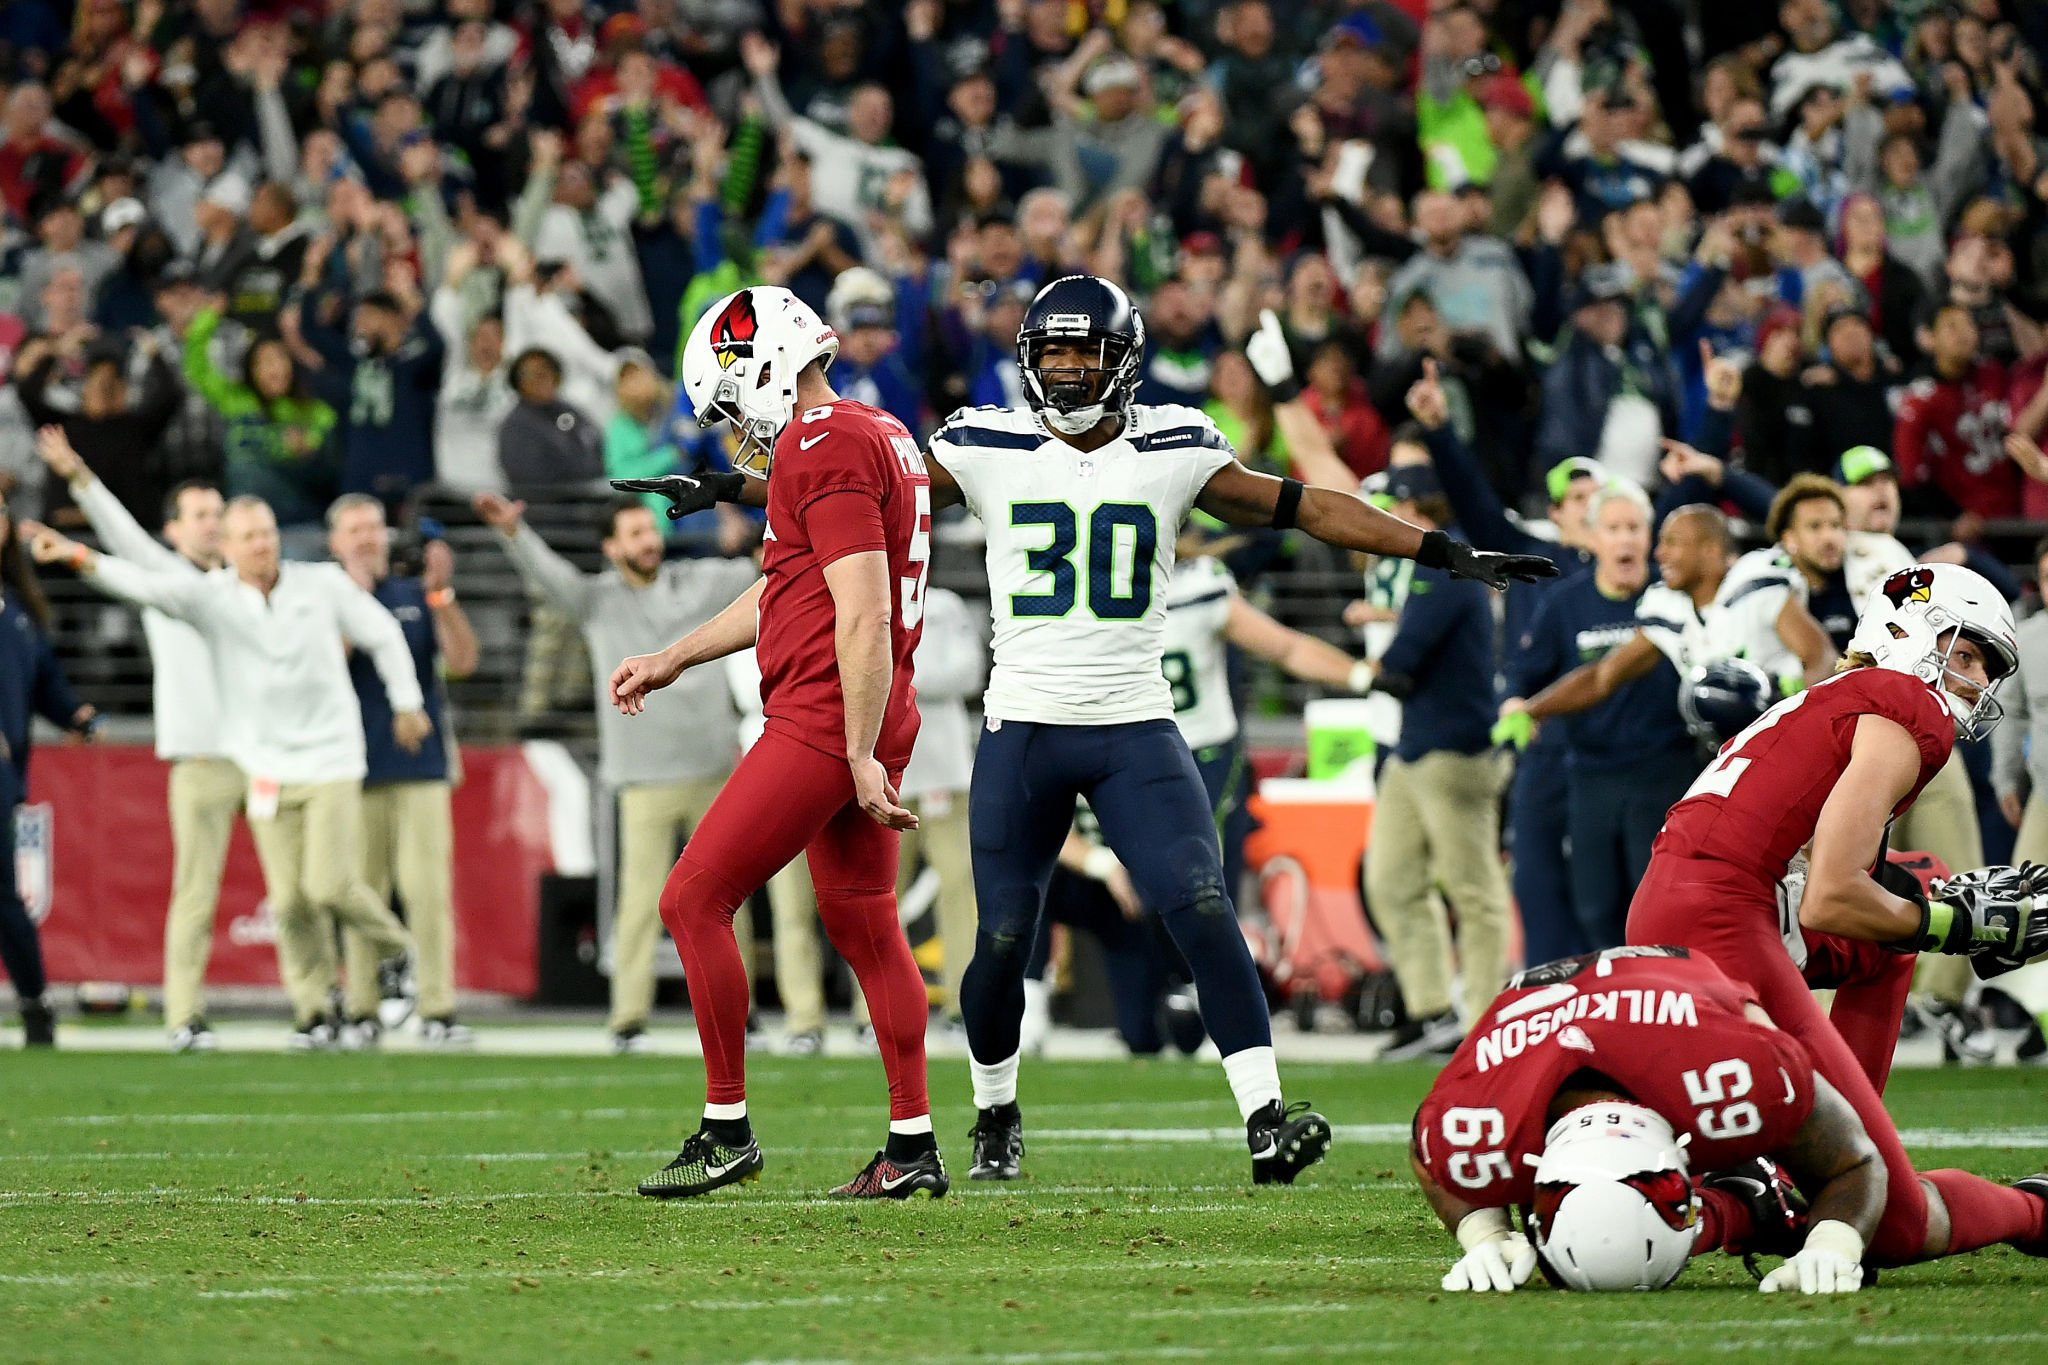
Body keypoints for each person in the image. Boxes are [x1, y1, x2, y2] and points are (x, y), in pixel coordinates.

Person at [643, 276, 1556, 1185]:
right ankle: (992, 1111)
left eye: (1086, 351)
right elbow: (858, 492)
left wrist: (1441, 550)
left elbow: (1306, 505)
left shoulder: (1177, 443)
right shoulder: (982, 441)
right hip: (1026, 726)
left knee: (1202, 904)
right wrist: (733, 484)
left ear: (1123, 358)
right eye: (1053, 351)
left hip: (1134, 726)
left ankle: (1267, 1117)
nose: (1069, 369)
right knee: (1000, 940)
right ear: (1029, 359)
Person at [607, 285, 945, 1200]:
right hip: (864, 707)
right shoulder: (876, 434)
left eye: (728, 403)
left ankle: (726, 1129)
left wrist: (860, 748)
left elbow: (866, 613)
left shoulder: (820, 442)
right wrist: (676, 655)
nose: (731, 429)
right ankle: (910, 1143)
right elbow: (793, 590)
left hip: (830, 713)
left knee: (694, 898)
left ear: (759, 370)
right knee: (862, 918)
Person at [1627, 562, 2048, 1271]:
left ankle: (1828, 1155)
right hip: (1727, 918)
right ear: (1906, 628)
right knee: (1893, 1225)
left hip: (1683, 906)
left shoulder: (1835, 694)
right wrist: (1954, 924)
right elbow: (1833, 896)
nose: (1976, 679)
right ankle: (2033, 1209)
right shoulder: (1901, 704)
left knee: (1899, 916)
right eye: (1966, 651)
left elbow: (1828, 891)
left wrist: (1926, 904)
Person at [30, 497, 424, 1048]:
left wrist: (407, 701)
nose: (261, 544)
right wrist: (77, 556)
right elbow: (145, 585)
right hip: (266, 765)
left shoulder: (322, 584)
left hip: (331, 758)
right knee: (289, 902)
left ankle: (396, 948)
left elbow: (383, 632)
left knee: (329, 883)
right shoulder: (214, 599)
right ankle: (315, 1016)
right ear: (229, 548)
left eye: (267, 532)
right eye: (249, 537)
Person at [1415, 947, 1883, 1295]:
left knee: (1901, 1232)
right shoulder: (1481, 1126)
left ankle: (1894, 951)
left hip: (1688, 988)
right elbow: (1426, 1144)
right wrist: (1484, 1234)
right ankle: (1740, 1205)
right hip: (1561, 1019)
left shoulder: (1734, 1081)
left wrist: (1833, 1243)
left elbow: (1856, 1161)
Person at [473, 492, 756, 1053]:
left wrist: (747, 532)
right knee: (638, 904)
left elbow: (765, 570)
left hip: (714, 772)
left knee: (727, 904)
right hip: (643, 780)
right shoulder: (598, 600)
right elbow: (552, 578)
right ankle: (628, 1019)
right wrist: (514, 532)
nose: (647, 540)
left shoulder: (700, 580)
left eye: (648, 530)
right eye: (632, 534)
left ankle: (741, 1018)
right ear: (610, 548)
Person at [33, 428, 234, 1052]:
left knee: (308, 886)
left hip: (271, 751)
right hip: (202, 754)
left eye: (218, 515)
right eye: (199, 516)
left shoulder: (251, 584)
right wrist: (79, 478)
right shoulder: (167, 577)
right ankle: (184, 1014)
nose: (212, 526)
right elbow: (122, 540)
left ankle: (325, 1006)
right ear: (172, 531)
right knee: (196, 893)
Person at [1500, 484, 1697, 949]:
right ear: (1593, 538)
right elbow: (1524, 673)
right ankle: (1617, 1003)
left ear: (1650, 538)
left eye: (1634, 528)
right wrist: (1513, 703)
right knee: (1595, 904)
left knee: (1653, 904)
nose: (1625, 540)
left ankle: (1662, 1004)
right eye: (1613, 529)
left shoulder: (1671, 597)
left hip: (1664, 770)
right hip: (1590, 773)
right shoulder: (1564, 603)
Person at [1359, 462, 1513, 1059]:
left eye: (1393, 508)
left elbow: (1402, 662)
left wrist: (1354, 663)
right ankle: (1432, 1012)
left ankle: (1479, 1024)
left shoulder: (1444, 568)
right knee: (1391, 880)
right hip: (1415, 747)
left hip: (1455, 751)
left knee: (1473, 890)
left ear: (1419, 510)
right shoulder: (1433, 571)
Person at [327, 495, 479, 1048]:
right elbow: (320, 667)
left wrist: (441, 596)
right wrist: (355, 602)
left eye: (374, 526)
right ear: (334, 542)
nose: (367, 537)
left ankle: (437, 1007)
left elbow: (463, 661)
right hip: (350, 766)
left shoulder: (414, 592)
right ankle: (362, 1006)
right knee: (361, 891)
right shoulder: (323, 599)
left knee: (427, 890)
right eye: (354, 529)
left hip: (421, 764)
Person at [1508, 504, 1837, 729]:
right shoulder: (1669, 610)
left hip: (1790, 735)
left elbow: (1823, 657)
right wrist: (1532, 710)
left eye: (1672, 543)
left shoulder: (1755, 589)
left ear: (1709, 550)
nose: (1659, 553)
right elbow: (1602, 676)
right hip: (1729, 753)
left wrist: (1796, 701)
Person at [0, 487, 97, 1048]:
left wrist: (75, 714)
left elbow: (43, 685)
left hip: (3, 781)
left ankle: (36, 1005)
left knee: (3, 895)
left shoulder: (16, 609)